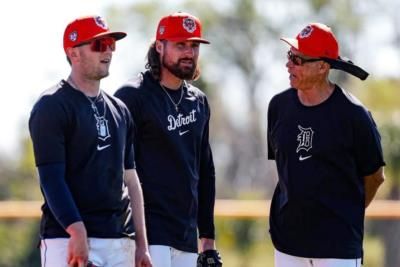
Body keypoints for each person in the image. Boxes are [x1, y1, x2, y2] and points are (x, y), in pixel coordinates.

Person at [29, 15, 152, 267]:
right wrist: (76, 230)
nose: (107, 50)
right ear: (73, 53)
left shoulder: (120, 110)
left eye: (110, 44)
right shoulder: (52, 105)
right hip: (67, 238)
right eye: (98, 45)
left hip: (118, 241)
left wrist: (142, 244)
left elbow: (130, 180)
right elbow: (51, 179)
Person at [267, 23, 385, 267]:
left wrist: (345, 213)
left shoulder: (355, 115)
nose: (288, 64)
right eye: (290, 56)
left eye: (298, 59)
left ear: (322, 67)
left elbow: (375, 176)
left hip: (338, 249)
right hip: (288, 246)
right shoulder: (278, 107)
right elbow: (286, 170)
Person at [114, 12, 222, 267]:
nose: (189, 52)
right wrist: (133, 238)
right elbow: (117, 171)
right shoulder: (133, 96)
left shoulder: (198, 101)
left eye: (194, 46)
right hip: (146, 236)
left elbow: (206, 171)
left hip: (185, 237)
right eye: (180, 45)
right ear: (159, 46)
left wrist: (207, 239)